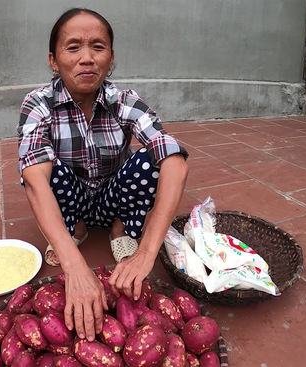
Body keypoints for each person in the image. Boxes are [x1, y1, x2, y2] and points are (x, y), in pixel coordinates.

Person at [16, 8, 189, 342]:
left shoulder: (124, 101)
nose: (87, 59)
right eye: (73, 47)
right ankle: (75, 229)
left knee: (151, 161)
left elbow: (174, 162)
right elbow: (35, 183)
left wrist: (146, 255)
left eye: (98, 47)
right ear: (53, 60)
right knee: (40, 168)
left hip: (113, 195)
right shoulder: (39, 104)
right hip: (73, 197)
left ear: (111, 58)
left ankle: (119, 227)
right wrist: (76, 267)